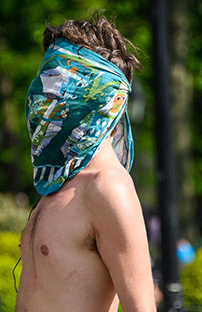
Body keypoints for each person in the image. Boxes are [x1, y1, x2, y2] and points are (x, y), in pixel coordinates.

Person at [16, 16, 156, 311]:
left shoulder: (108, 188)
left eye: (59, 79)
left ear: (102, 97)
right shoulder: (57, 184)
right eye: (45, 75)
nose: (43, 91)